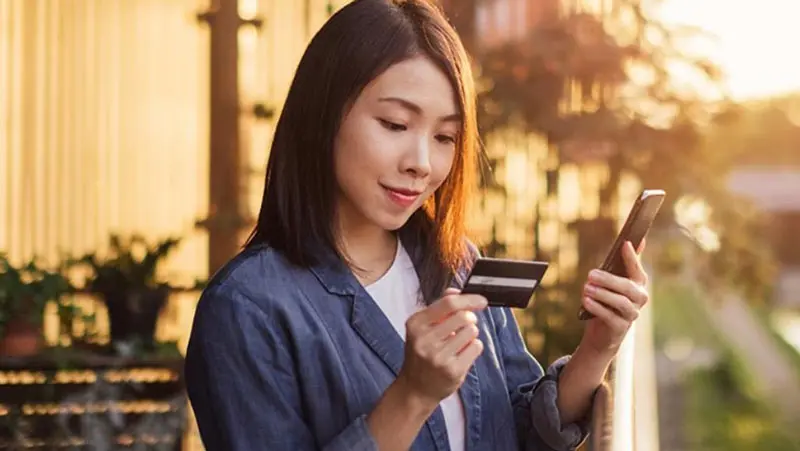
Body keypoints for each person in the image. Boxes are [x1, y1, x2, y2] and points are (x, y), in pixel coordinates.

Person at [183, 0, 650, 450]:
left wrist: (598, 346)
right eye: (394, 124)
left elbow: (518, 432)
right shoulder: (248, 309)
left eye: (445, 136)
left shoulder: (455, 262)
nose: (422, 163)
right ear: (323, 117)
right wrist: (413, 395)